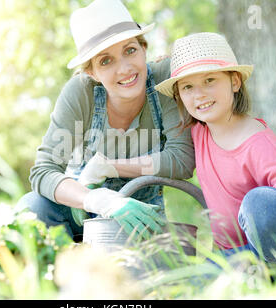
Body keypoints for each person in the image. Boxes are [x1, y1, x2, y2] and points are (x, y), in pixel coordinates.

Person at [155, 32, 276, 285]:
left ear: (235, 81)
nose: (199, 94)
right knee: (185, 285)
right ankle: (252, 280)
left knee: (260, 202)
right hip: (236, 256)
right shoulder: (197, 132)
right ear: (179, 96)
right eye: (188, 87)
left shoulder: (257, 141)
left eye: (210, 80)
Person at [16, 0, 195, 241]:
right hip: (80, 213)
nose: (124, 69)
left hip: (140, 220)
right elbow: (43, 171)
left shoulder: (163, 82)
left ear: (144, 48)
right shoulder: (81, 93)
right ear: (91, 72)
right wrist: (95, 199)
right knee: (31, 207)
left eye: (130, 50)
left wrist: (109, 166)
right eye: (105, 60)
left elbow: (181, 160)